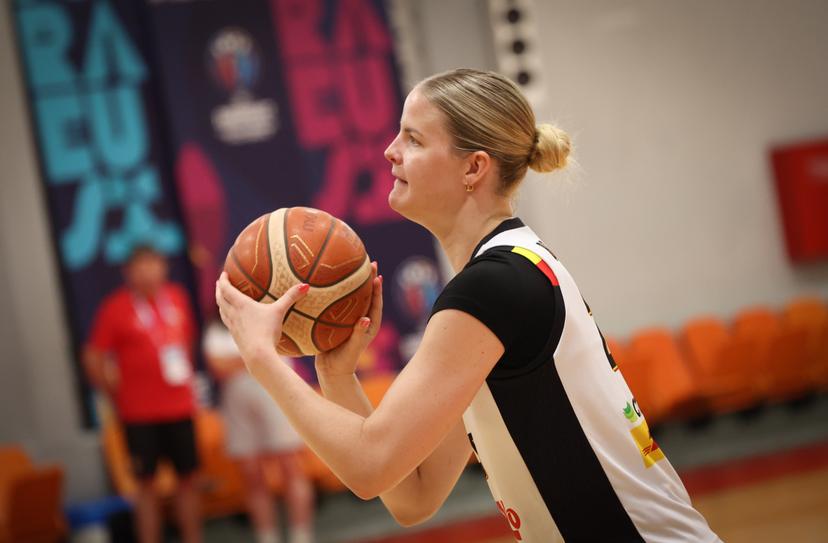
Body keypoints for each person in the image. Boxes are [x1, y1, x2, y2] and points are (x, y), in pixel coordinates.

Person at [216, 68, 721, 542]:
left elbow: (370, 467)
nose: (390, 151)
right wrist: (337, 375)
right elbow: (413, 496)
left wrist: (260, 357)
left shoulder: (492, 290)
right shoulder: (511, 268)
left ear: (474, 168)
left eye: (413, 139)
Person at [84, 246, 202, 543]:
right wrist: (116, 393)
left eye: (154, 263)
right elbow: (94, 356)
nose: (148, 271)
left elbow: (185, 343)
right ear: (128, 272)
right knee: (145, 486)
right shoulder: (116, 307)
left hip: (180, 408)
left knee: (187, 481)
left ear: (163, 267)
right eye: (141, 265)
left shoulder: (177, 298)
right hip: (138, 415)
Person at [203, 320, 315, 543]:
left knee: (291, 467)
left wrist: (240, 361)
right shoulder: (216, 327)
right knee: (251, 474)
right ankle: (266, 537)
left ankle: (302, 537)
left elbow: (274, 352)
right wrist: (255, 357)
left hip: (277, 395)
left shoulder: (271, 313)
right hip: (238, 405)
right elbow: (218, 366)